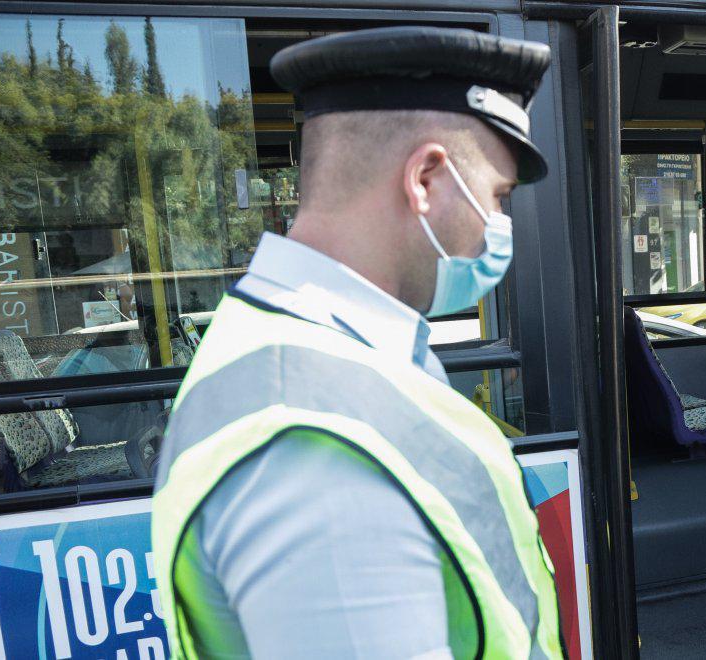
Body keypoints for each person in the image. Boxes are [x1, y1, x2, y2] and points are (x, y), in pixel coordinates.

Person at [151, 27, 563, 658]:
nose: (497, 228)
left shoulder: (321, 355)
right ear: (425, 178)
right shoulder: (311, 442)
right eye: (497, 197)